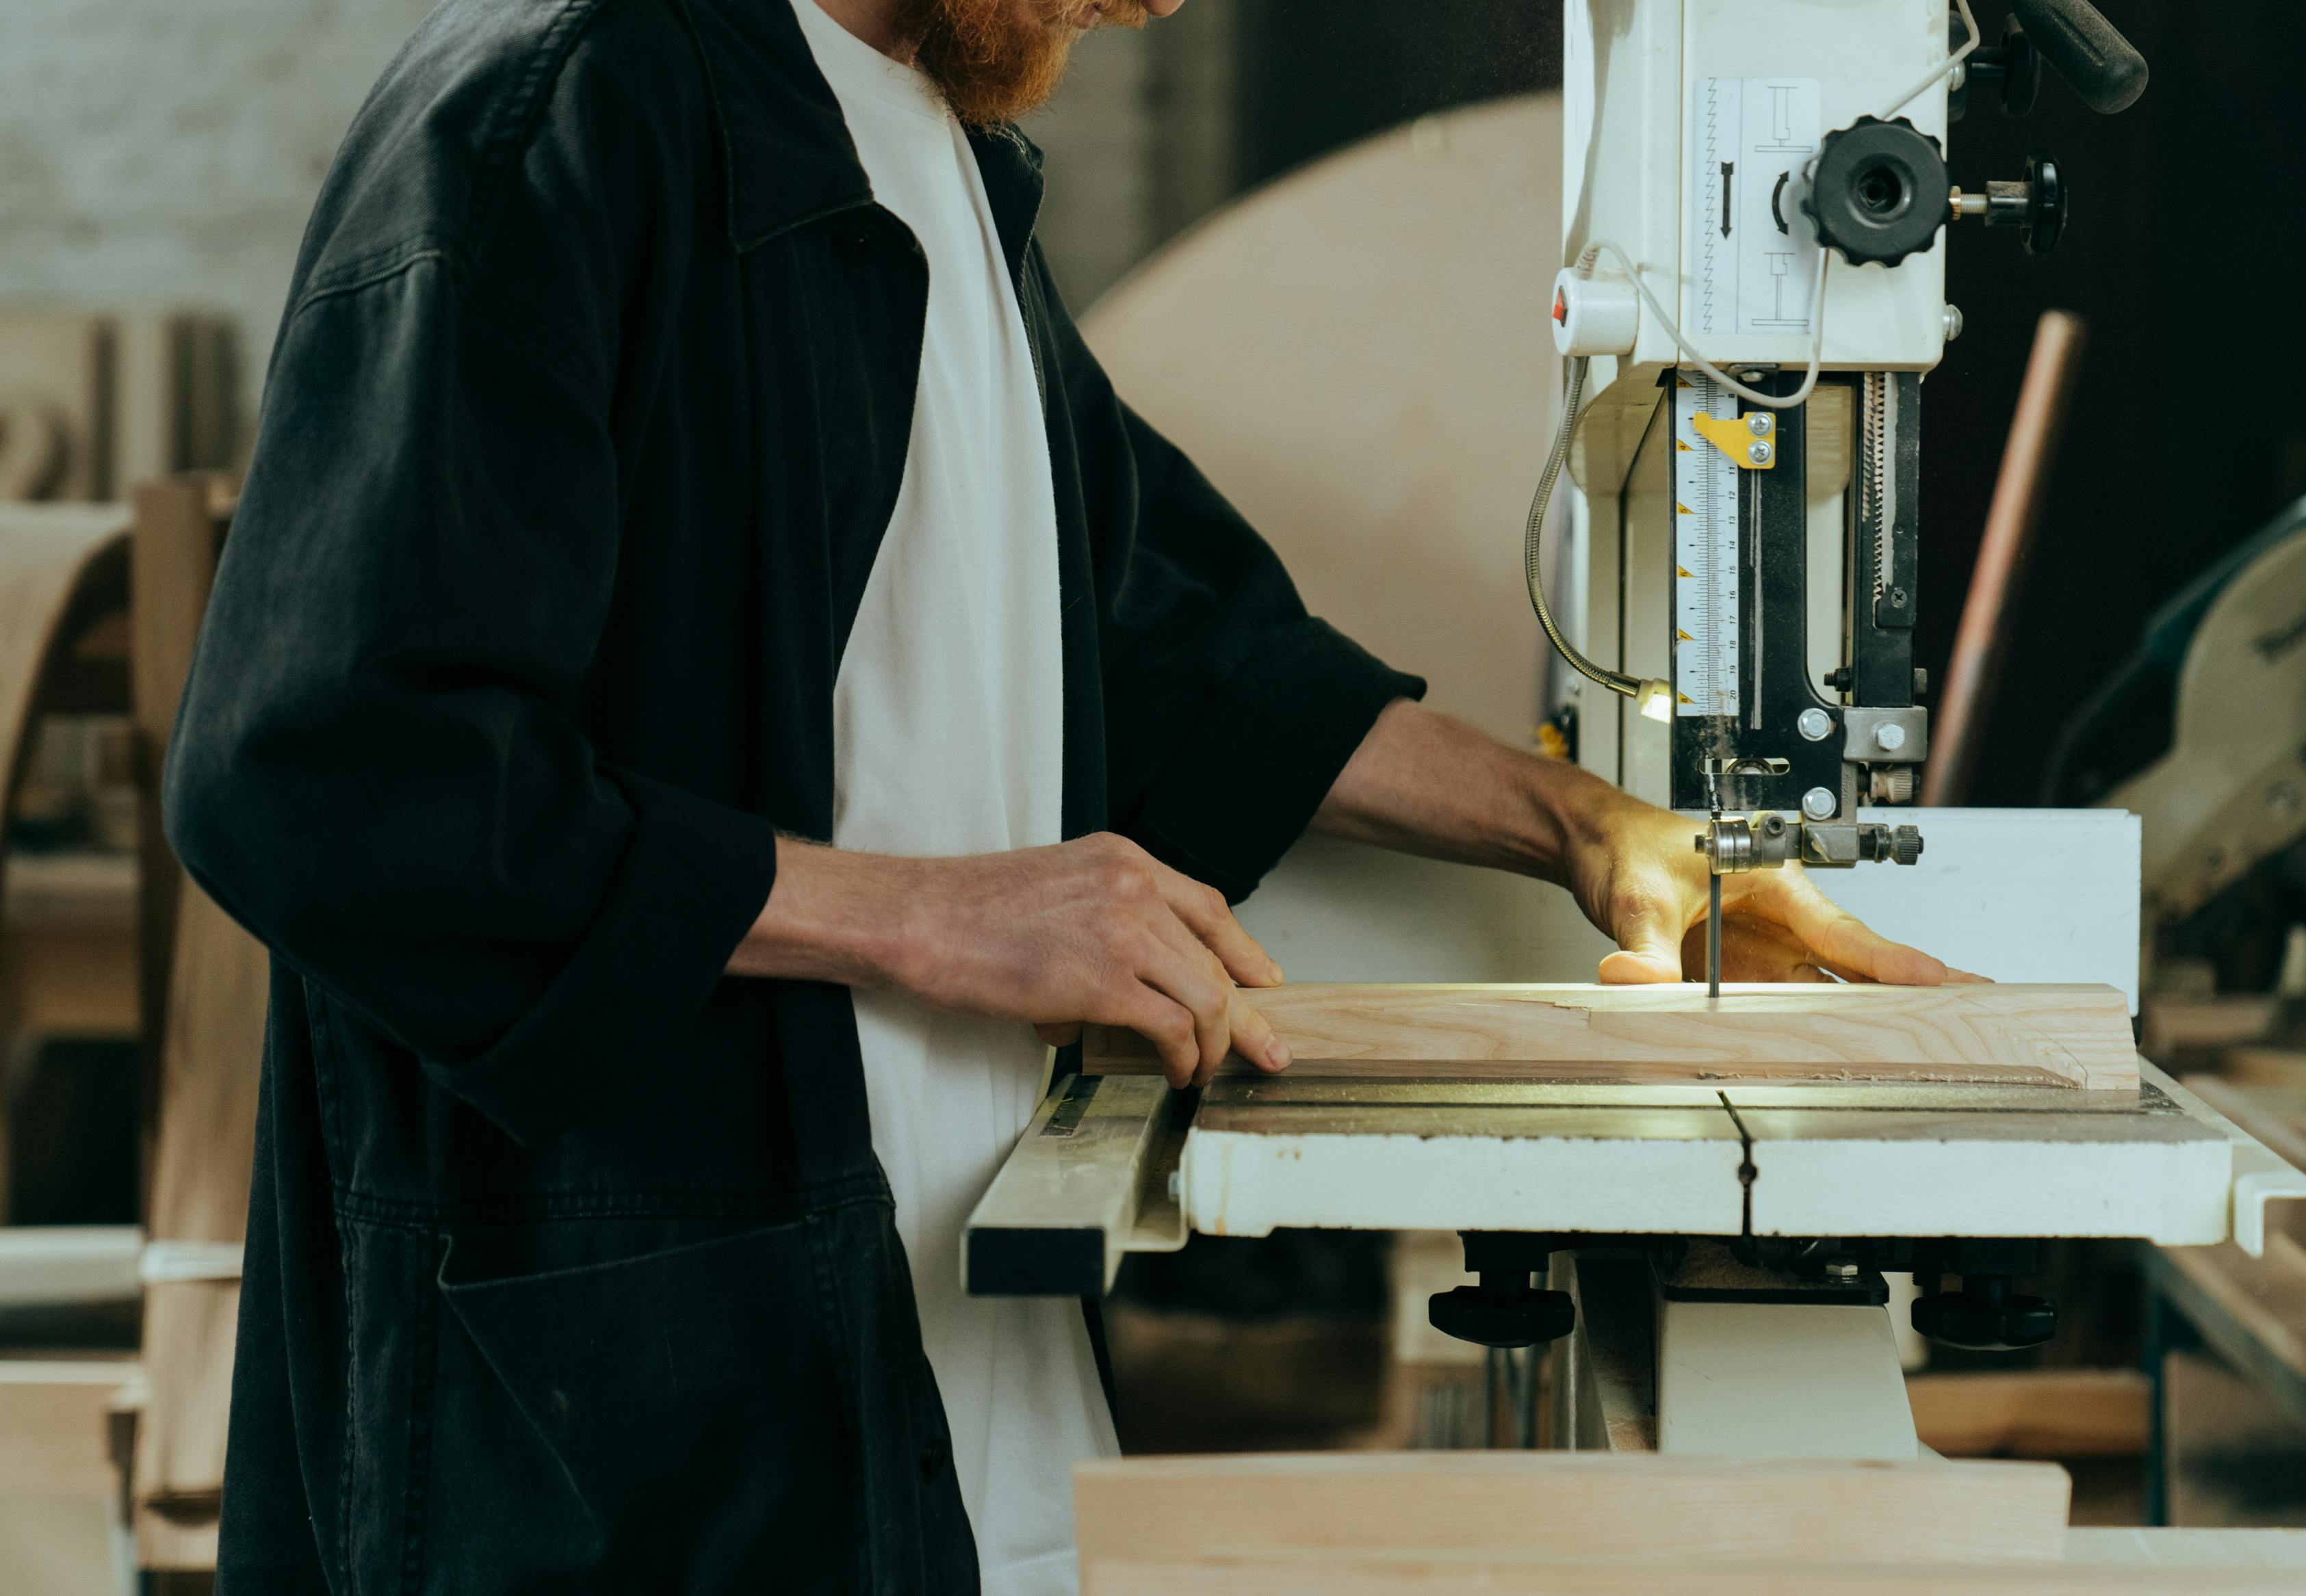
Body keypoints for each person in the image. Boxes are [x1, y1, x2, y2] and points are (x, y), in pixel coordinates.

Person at [164, 0, 1962, 1590]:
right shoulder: (554, 110)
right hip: (650, 1399)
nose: (1167, 5)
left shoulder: (931, 149)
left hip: (957, 1337)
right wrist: (940, 916)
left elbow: (1164, 645)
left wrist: (1591, 833)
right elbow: (325, 772)